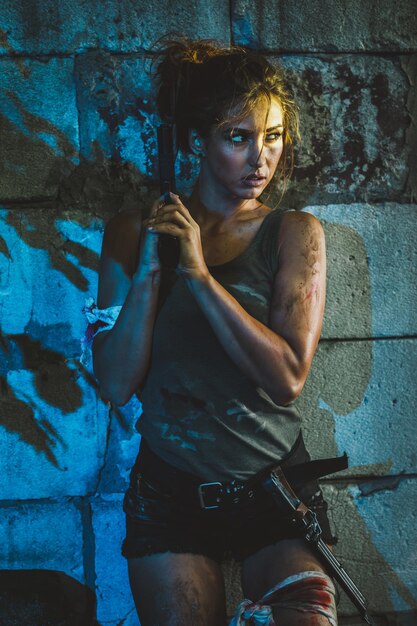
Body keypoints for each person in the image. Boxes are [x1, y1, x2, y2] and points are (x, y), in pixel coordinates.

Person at [91, 37, 339, 626]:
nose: (262, 158)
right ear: (196, 141)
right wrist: (156, 270)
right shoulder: (132, 230)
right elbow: (114, 384)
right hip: (170, 494)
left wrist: (199, 275)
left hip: (273, 489)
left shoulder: (294, 234)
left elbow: (286, 378)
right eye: (239, 137)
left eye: (273, 136)